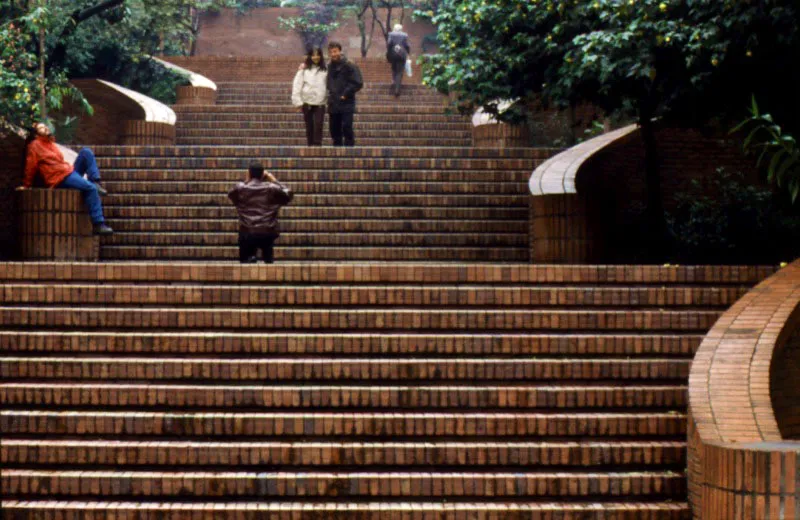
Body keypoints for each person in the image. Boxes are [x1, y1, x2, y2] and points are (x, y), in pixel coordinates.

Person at [20, 122, 113, 235]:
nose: (45, 128)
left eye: (45, 126)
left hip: (67, 171)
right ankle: (98, 224)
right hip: (58, 177)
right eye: (41, 128)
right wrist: (26, 185)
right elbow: (31, 166)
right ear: (36, 134)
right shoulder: (35, 145)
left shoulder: (51, 143)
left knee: (86, 152)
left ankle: (96, 181)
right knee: (91, 189)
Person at [227, 163, 293, 264]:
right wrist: (274, 180)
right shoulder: (272, 188)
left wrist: (247, 180)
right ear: (263, 175)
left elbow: (231, 194)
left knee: (245, 261)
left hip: (247, 231)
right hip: (267, 231)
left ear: (249, 173)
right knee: (268, 259)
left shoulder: (241, 188)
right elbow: (288, 193)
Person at [326, 41, 363, 147]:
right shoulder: (329, 67)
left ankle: (349, 150)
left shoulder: (349, 65)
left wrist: (345, 93)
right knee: (334, 128)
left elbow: (358, 82)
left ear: (340, 51)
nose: (333, 54)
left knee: (347, 126)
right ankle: (337, 151)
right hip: (333, 102)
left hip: (347, 101)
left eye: (335, 51)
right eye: (331, 52)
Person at [292, 48, 328, 146]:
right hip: (307, 102)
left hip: (320, 102)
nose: (315, 57)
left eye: (317, 55)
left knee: (319, 124)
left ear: (321, 56)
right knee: (309, 125)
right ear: (310, 56)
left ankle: (317, 145)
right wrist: (297, 102)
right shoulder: (304, 69)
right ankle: (310, 145)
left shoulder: (325, 70)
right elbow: (297, 84)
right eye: (313, 55)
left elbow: (329, 85)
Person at [386, 24, 411, 97]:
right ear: (401, 29)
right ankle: (397, 89)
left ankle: (394, 82)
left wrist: (389, 52)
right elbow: (407, 46)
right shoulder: (405, 35)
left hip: (393, 54)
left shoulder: (390, 34)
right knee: (399, 72)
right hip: (401, 55)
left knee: (394, 68)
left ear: (394, 29)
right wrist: (407, 53)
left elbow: (389, 44)